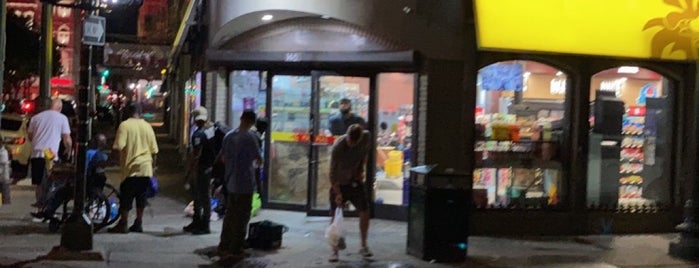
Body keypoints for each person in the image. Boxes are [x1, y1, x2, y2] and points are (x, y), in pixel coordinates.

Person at [31, 134, 110, 220]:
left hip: (84, 185)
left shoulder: (88, 154)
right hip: (94, 185)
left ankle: (48, 211)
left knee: (60, 191)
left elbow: (80, 169)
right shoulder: (104, 156)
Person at [217, 110, 263, 259]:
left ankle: (224, 245)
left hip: (231, 182)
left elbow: (222, 158)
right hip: (245, 183)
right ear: (252, 122)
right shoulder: (251, 138)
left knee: (230, 215)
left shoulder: (229, 136)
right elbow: (258, 159)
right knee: (242, 217)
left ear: (241, 118)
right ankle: (236, 248)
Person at [108, 103, 159, 233]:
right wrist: (152, 169)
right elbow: (154, 151)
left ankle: (123, 223)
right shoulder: (148, 126)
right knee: (141, 197)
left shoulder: (124, 125)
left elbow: (118, 146)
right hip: (146, 168)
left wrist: (110, 160)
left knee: (126, 197)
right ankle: (139, 222)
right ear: (140, 113)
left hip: (130, 168)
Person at [328, 124, 373, 262]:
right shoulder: (338, 147)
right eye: (349, 141)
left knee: (365, 211)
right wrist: (338, 193)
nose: (351, 144)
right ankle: (334, 251)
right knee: (335, 216)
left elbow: (365, 153)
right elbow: (332, 173)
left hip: (354, 182)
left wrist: (361, 169)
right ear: (346, 135)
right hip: (339, 183)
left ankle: (363, 245)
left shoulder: (366, 137)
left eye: (355, 142)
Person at [27, 98, 72, 209]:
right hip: (50, 152)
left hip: (36, 152)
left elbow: (30, 136)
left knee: (38, 182)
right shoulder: (62, 118)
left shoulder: (36, 118)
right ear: (60, 108)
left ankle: (39, 203)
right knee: (51, 178)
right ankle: (48, 203)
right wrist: (69, 150)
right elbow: (67, 138)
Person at [183, 106, 216, 235]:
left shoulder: (198, 134)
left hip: (201, 169)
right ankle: (199, 222)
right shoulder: (211, 131)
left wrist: (190, 172)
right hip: (209, 167)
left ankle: (203, 225)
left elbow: (196, 155)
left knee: (201, 196)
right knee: (202, 196)